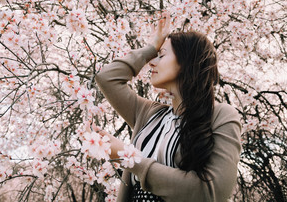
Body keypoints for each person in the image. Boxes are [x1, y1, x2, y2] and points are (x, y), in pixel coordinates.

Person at [94, 15, 242, 202]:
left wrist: (129, 158)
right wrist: (153, 46)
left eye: (161, 55)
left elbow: (211, 192)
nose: (152, 62)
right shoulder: (149, 113)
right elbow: (107, 78)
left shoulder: (221, 116)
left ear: (186, 62)